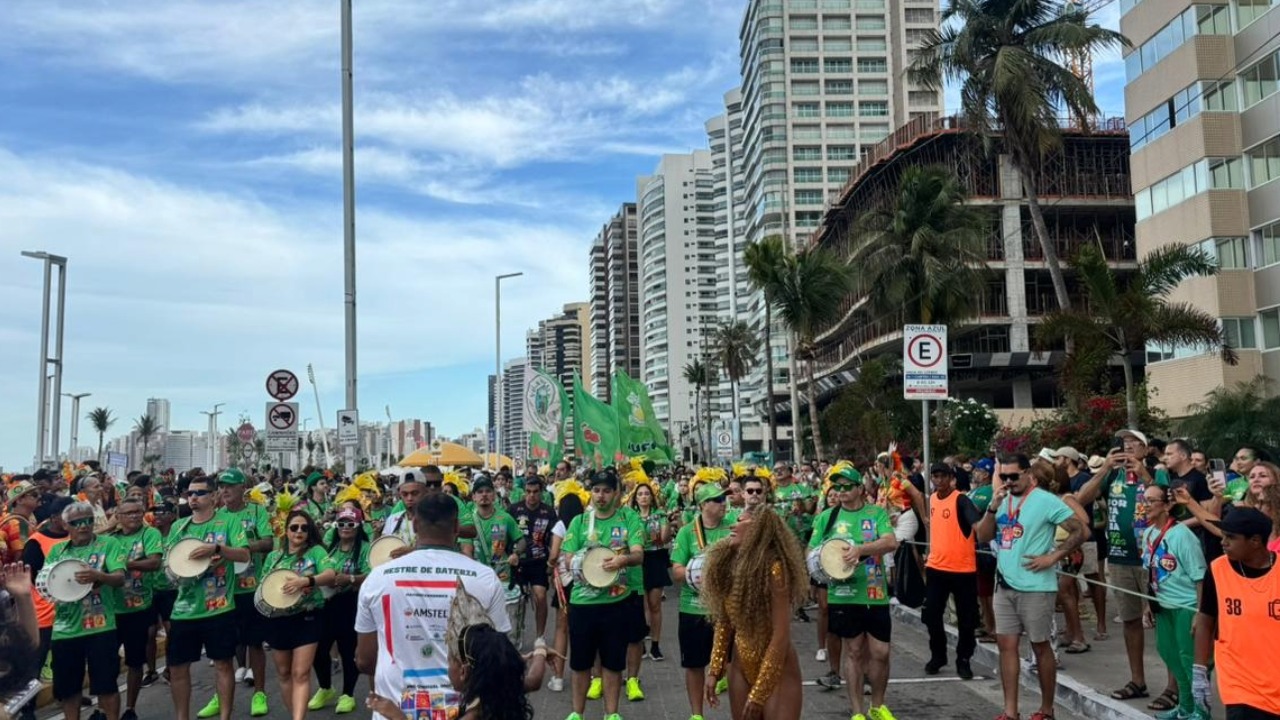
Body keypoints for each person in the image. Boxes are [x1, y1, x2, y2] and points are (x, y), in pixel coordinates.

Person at [356, 493, 510, 720]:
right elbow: (499, 655)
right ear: (457, 527)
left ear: (415, 524)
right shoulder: (484, 577)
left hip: (395, 709)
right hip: (464, 709)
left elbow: (365, 659)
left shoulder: (378, 578)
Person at [977, 455, 1087, 720]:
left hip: (1036, 586)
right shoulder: (1003, 501)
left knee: (1040, 646)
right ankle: (1010, 711)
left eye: (1014, 476)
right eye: (1004, 477)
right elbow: (982, 536)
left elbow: (1080, 530)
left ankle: (1046, 710)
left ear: (1028, 473)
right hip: (1004, 583)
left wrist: (1053, 557)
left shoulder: (1046, 500)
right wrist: (993, 507)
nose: (1009, 482)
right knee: (1006, 646)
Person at [809, 467, 899, 720]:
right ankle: (858, 711)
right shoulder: (827, 517)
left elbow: (891, 542)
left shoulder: (876, 512)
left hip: (874, 592)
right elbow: (811, 551)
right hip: (843, 595)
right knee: (854, 651)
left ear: (860, 488)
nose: (842, 491)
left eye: (848, 486)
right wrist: (827, 564)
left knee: (881, 652)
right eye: (838, 486)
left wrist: (861, 550)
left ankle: (878, 706)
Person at [701, 508, 807, 720]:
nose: (732, 525)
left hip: (778, 670)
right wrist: (715, 669)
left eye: (740, 521)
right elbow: (724, 621)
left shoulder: (775, 569)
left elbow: (781, 636)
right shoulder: (729, 564)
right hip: (740, 667)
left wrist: (760, 692)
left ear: (757, 529)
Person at [164, 476, 253, 720]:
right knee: (178, 667)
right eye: (190, 493)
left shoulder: (229, 521)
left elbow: (244, 554)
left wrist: (217, 549)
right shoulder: (179, 527)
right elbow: (168, 564)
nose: (193, 497)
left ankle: (225, 717)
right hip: (184, 609)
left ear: (214, 497)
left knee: (223, 664)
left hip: (219, 607)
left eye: (200, 493)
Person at [560, 471, 644, 720]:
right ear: (591, 492)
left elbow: (639, 555)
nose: (601, 495)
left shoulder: (628, 518)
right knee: (580, 663)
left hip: (617, 602)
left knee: (613, 662)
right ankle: (577, 712)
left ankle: (611, 713)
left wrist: (623, 559)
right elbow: (566, 556)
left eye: (607, 490)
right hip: (583, 603)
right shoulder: (580, 522)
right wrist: (584, 562)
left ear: (616, 493)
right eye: (597, 490)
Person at [195, 469, 272, 718]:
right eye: (221, 486)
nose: (224, 491)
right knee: (224, 648)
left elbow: (269, 543)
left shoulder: (257, 512)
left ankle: (259, 693)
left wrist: (241, 548)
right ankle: (220, 694)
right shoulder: (216, 516)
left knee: (255, 642)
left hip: (250, 586)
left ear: (242, 488)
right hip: (222, 589)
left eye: (230, 486)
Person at [1193, 507, 1279, 720]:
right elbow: (1205, 620)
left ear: (1255, 541)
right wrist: (1199, 672)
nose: (1223, 542)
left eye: (1231, 537)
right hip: (1239, 684)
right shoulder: (1217, 569)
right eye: (1223, 536)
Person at [44, 501, 126, 720]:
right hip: (65, 630)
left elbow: (119, 578)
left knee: (107, 686)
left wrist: (99, 576)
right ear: (65, 525)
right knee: (69, 691)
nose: (83, 526)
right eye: (77, 522)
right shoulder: (56, 551)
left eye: (88, 520)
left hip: (100, 626)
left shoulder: (108, 544)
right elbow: (46, 586)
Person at [1140, 485, 1207, 720]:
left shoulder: (1181, 535)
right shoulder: (1148, 534)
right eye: (1143, 500)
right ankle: (1186, 706)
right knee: (1170, 655)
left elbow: (1200, 577)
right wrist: (1149, 604)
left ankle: (1201, 711)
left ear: (1167, 505)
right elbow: (1152, 572)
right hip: (1163, 605)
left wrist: (1200, 612)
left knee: (1190, 660)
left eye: (1151, 501)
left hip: (1186, 606)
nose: (1144, 505)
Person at [261, 510, 334, 720]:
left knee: (300, 673)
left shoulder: (316, 552)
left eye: (304, 527)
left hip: (308, 618)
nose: (299, 531)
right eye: (294, 527)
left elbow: (330, 575)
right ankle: (295, 715)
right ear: (286, 531)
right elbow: (263, 586)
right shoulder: (274, 557)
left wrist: (307, 581)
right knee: (284, 673)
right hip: (278, 620)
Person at [671, 482, 733, 720]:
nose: (722, 504)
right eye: (717, 500)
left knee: (733, 664)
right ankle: (696, 715)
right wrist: (696, 572)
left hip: (726, 611)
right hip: (692, 608)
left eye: (723, 499)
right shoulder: (688, 532)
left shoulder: (732, 529)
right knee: (695, 665)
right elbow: (675, 571)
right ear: (703, 505)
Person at [923, 462, 982, 681]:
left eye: (942, 476)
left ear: (951, 478)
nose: (938, 480)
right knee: (931, 615)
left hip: (963, 570)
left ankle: (963, 658)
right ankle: (938, 655)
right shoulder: (931, 500)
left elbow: (976, 524)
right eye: (935, 476)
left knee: (967, 619)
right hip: (936, 568)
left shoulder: (961, 500)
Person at [309, 506, 369, 714]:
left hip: (350, 603)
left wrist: (350, 579)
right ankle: (325, 687)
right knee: (318, 650)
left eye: (350, 524)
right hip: (326, 604)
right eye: (341, 523)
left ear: (358, 526)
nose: (345, 528)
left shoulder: (365, 548)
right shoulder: (328, 547)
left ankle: (348, 694)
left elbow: (372, 575)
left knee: (347, 650)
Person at [110, 498, 163, 720]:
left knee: (134, 661)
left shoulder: (150, 534)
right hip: (110, 610)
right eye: (128, 513)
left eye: (137, 512)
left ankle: (130, 708)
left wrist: (123, 565)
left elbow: (154, 562)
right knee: (107, 662)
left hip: (139, 608)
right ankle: (104, 707)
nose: (134, 516)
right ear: (119, 517)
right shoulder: (109, 538)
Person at [461, 476, 525, 642]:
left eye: (488, 491)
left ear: (494, 495)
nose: (484, 495)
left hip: (502, 578)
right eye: (480, 492)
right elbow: (465, 550)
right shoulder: (468, 522)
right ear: (473, 496)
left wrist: (516, 554)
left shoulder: (504, 518)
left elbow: (521, 541)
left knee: (502, 629)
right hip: (477, 580)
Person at [508, 473, 557, 640]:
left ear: (541, 492)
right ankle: (516, 633)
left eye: (535, 491)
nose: (531, 495)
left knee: (541, 596)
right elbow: (506, 534)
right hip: (518, 561)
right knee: (517, 601)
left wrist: (554, 563)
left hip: (538, 561)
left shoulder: (548, 512)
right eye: (528, 491)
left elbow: (554, 539)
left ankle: (540, 637)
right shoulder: (514, 509)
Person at [546, 490, 585, 693]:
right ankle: (592, 676)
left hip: (563, 581)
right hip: (582, 579)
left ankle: (558, 677)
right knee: (585, 630)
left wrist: (549, 564)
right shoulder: (585, 523)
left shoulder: (560, 525)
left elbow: (554, 554)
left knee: (561, 628)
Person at [630, 480, 671, 663]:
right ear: (635, 498)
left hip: (655, 559)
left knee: (655, 604)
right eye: (640, 494)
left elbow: (664, 538)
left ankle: (655, 645)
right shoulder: (631, 516)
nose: (643, 497)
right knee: (641, 605)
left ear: (651, 497)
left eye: (646, 493)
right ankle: (641, 643)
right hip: (637, 560)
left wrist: (666, 526)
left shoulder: (659, 515)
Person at [2, 481, 40, 565]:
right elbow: (20, 557)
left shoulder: (23, 519)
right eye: (34, 495)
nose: (39, 497)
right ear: (20, 500)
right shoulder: (18, 523)